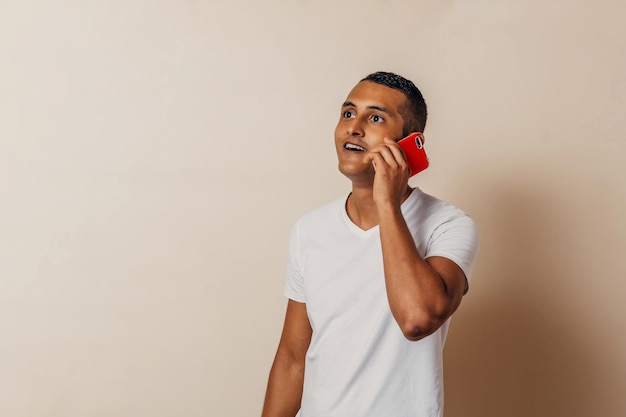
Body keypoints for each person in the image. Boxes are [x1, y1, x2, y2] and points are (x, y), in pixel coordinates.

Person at [261, 71, 479, 417]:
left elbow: (417, 319)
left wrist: (387, 203)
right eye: (348, 113)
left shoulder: (448, 225)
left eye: (375, 117)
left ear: (410, 143)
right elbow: (292, 357)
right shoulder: (310, 230)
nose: (354, 127)